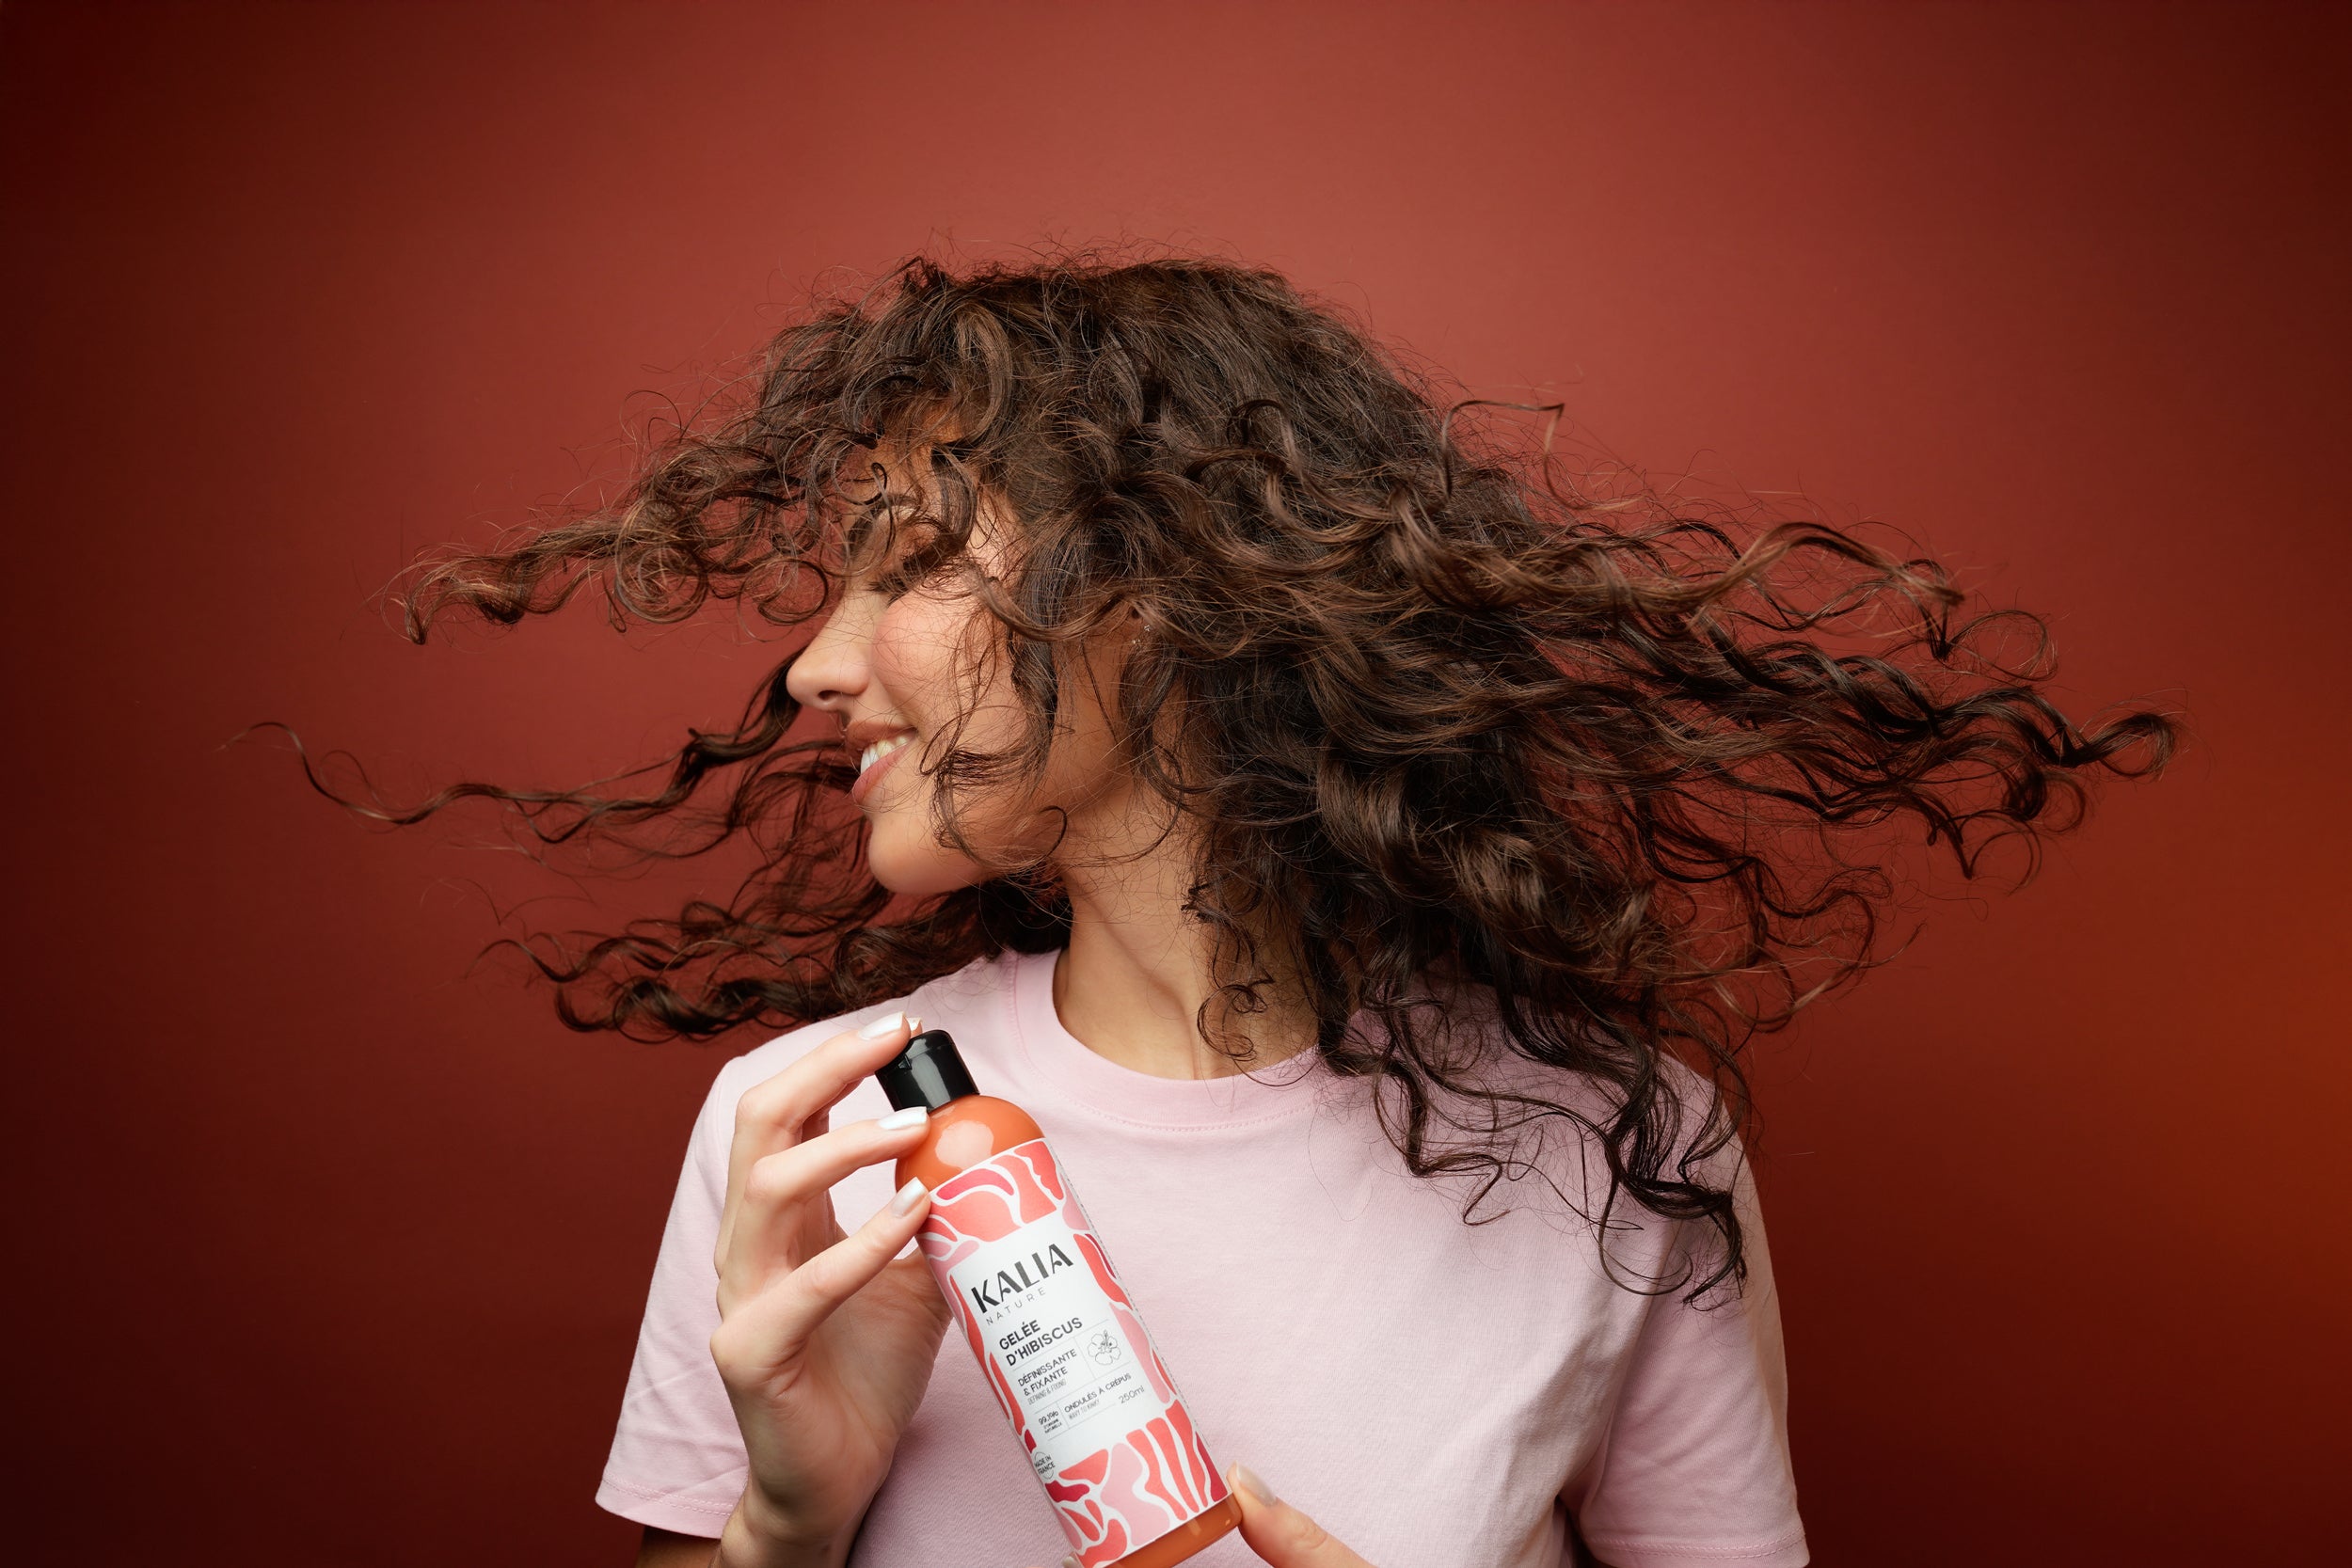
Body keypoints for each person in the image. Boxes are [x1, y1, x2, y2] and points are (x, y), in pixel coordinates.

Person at [383, 250, 2172, 1567]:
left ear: (1163, 592)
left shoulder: (1620, 1144)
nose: (814, 666)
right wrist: (783, 1521)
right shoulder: (819, 1136)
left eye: (914, 563)